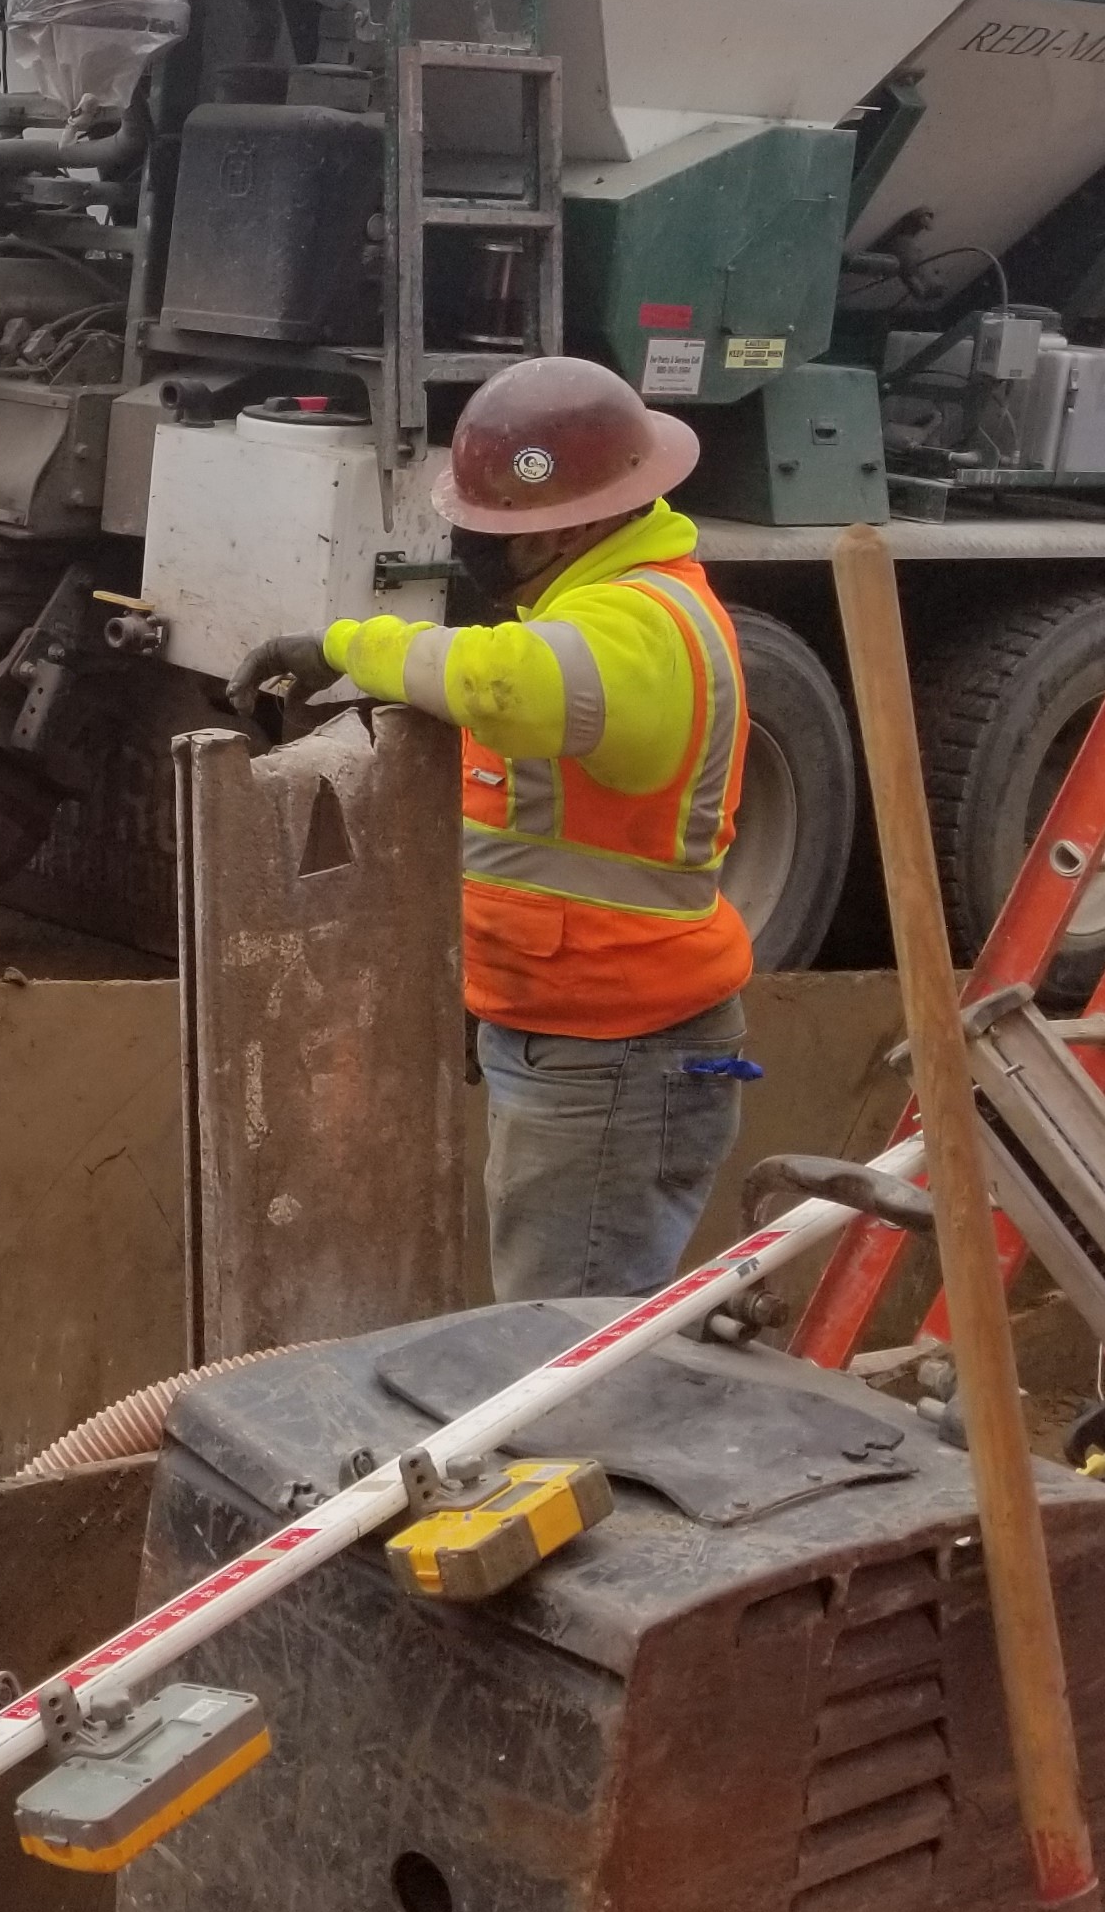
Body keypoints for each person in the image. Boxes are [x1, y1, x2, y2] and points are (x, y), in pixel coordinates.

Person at [224, 353, 755, 1302]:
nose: (480, 550)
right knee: (561, 1335)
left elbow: (500, 681)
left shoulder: (638, 623)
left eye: (505, 531)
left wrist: (344, 645)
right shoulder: (597, 605)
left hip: (613, 1049)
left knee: (563, 1357)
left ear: (586, 518)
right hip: (579, 1034)